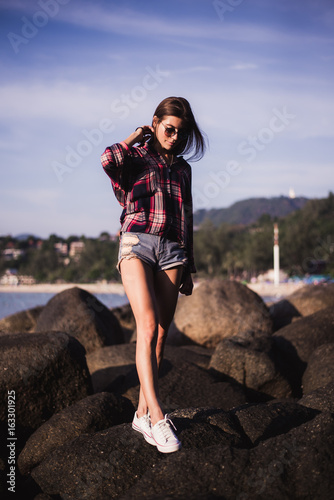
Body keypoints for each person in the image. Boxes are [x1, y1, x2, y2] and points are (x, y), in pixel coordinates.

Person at [101, 96, 206, 453]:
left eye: (181, 132)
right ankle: (159, 417)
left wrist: (189, 265)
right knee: (146, 325)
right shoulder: (134, 157)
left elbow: (187, 218)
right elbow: (107, 159)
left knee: (161, 335)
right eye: (169, 129)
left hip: (173, 253)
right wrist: (134, 136)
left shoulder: (183, 169)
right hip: (137, 245)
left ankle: (142, 413)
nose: (175, 137)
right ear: (156, 123)